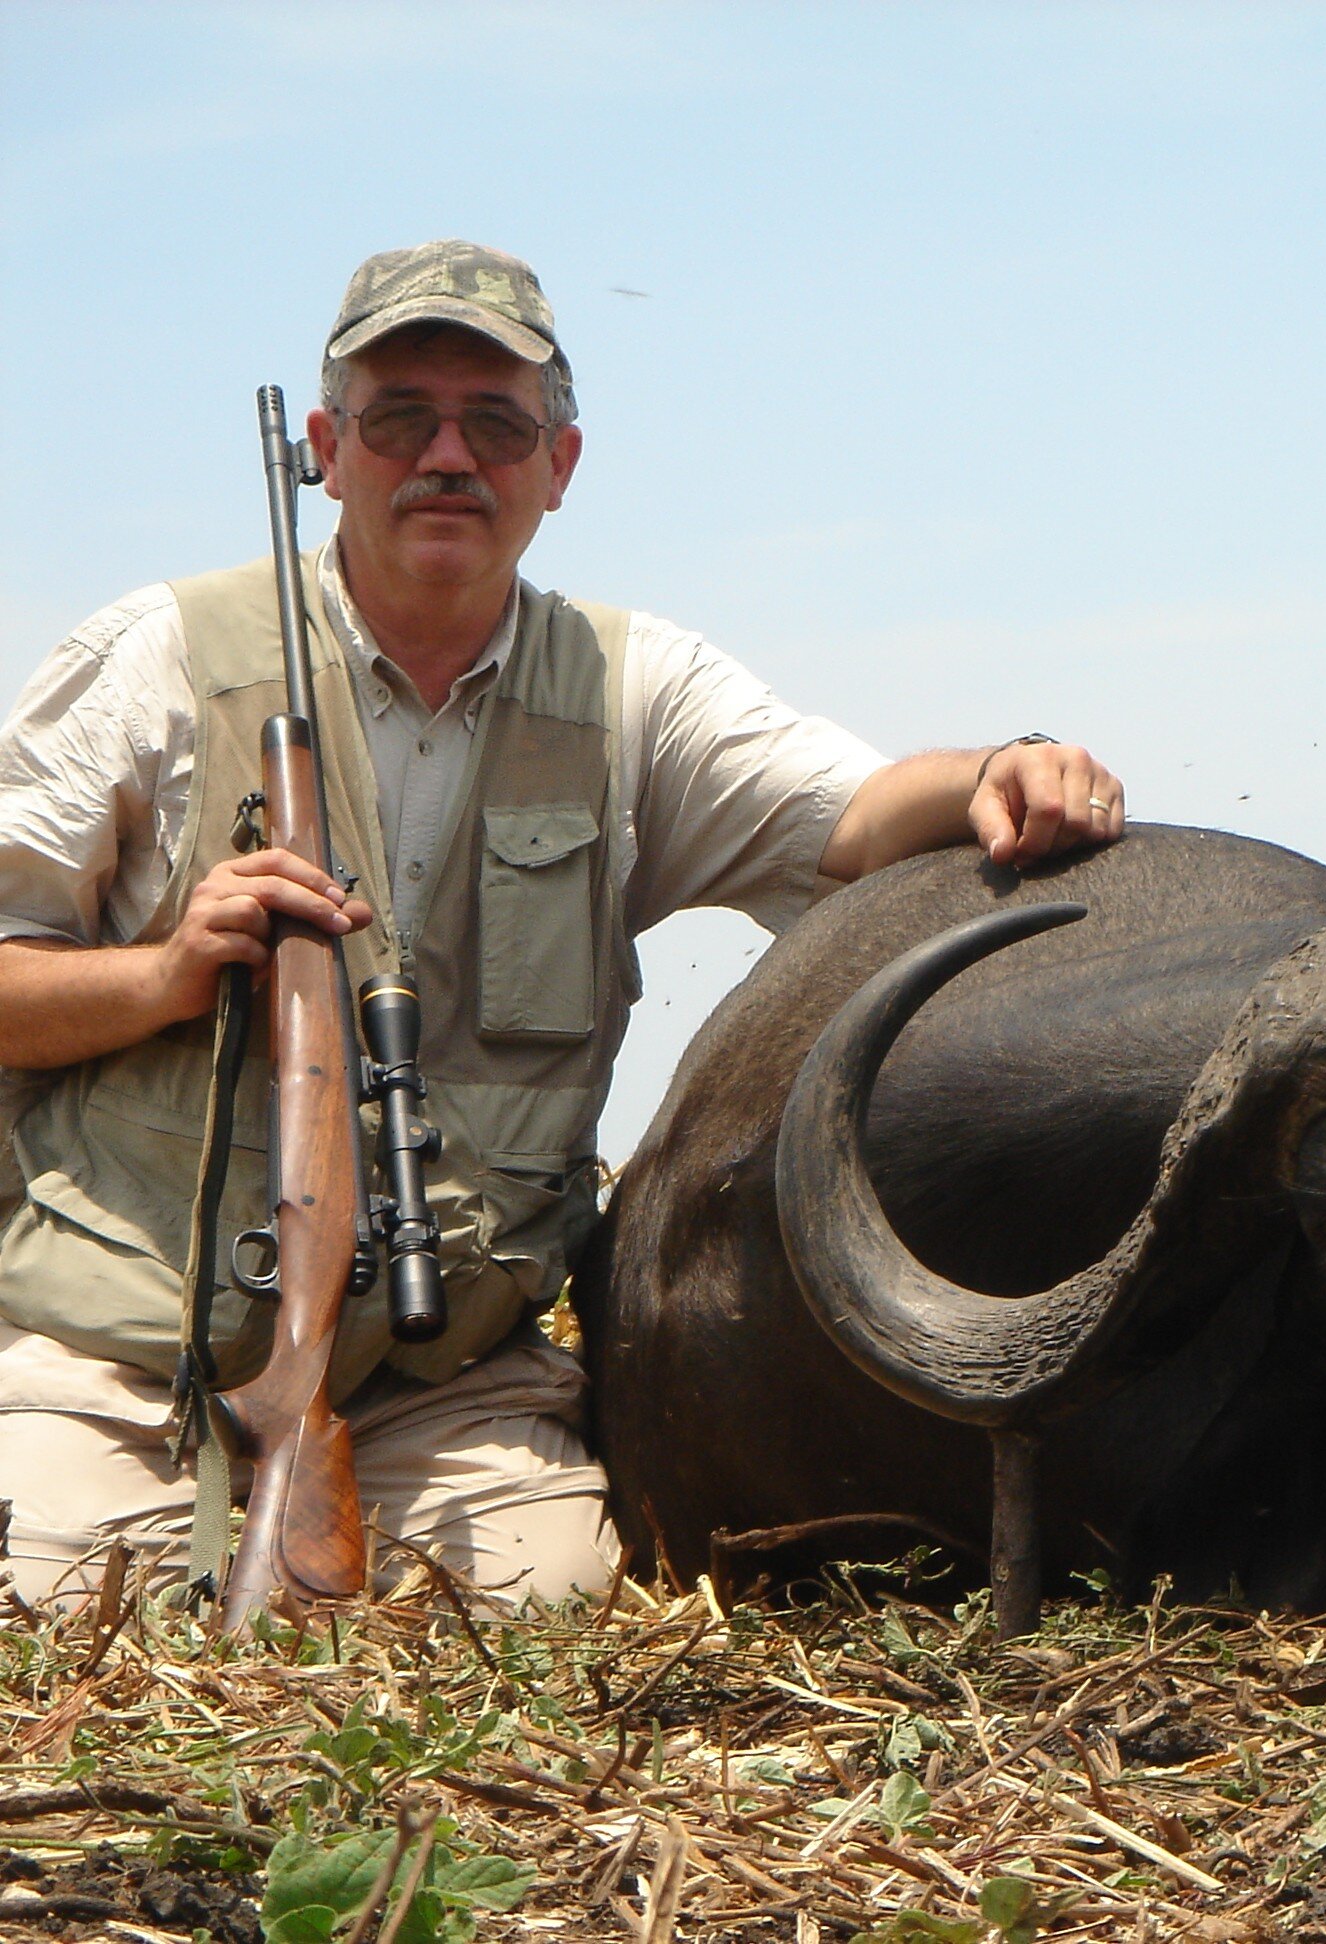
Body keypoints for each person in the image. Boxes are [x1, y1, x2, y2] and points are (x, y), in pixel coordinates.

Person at [0, 241, 1125, 1609]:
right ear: (326, 448)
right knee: (42, 1601)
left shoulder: (631, 688)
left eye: (498, 423)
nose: (448, 457)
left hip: (443, 1386)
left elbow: (854, 818)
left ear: (561, 465)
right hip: (123, 1362)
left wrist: (994, 770)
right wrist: (171, 976)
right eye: (401, 415)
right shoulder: (161, 657)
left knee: (551, 1602)